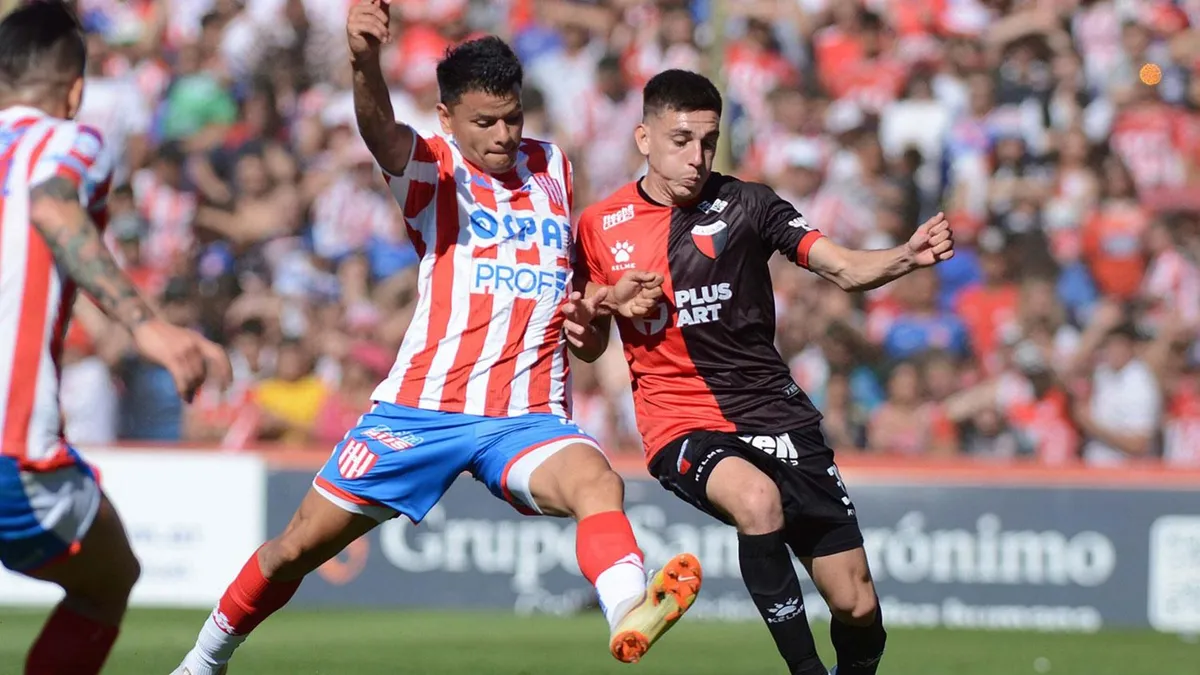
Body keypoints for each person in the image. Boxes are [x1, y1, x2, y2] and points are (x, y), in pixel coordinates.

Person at [170, 4, 700, 674]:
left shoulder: (555, 170)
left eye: (513, 118)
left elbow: (582, 332)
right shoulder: (435, 169)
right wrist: (363, 60)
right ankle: (203, 660)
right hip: (421, 410)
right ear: (448, 118)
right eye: (486, 122)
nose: (504, 134)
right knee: (296, 546)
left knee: (598, 480)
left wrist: (598, 306)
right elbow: (379, 129)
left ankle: (628, 609)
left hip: (525, 417)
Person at [571, 69, 956, 675]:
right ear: (644, 138)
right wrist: (605, 303)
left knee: (856, 605)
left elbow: (845, 269)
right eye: (680, 140)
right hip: (680, 418)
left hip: (775, 411)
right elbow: (588, 344)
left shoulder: (749, 204)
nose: (696, 157)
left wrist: (907, 256)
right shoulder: (599, 225)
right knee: (756, 500)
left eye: (707, 141)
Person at [0, 3, 232, 674]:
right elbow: (50, 204)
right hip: (13, 451)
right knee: (109, 578)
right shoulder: (73, 140)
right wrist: (148, 323)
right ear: (74, 89)